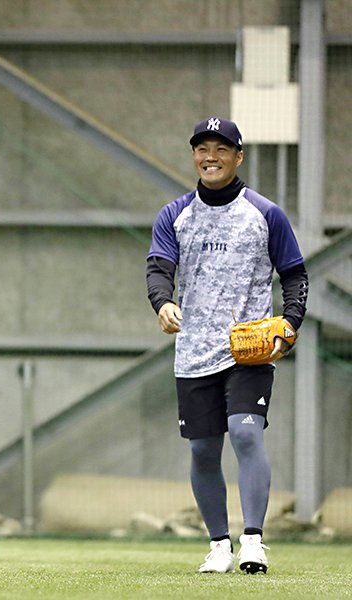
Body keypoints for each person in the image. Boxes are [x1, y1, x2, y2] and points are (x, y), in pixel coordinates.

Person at [146, 117, 308, 574]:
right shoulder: (174, 214)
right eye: (202, 148)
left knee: (245, 431)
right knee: (202, 450)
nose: (210, 156)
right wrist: (162, 303)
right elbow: (159, 268)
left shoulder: (266, 213)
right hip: (193, 351)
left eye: (221, 148)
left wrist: (290, 324)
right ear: (193, 155)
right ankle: (219, 545)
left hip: (248, 349)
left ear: (239, 157)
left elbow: (294, 273)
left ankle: (253, 540)